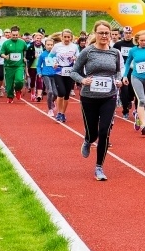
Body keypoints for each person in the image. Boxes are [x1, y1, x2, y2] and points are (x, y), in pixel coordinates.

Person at [70, 21, 122, 181]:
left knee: (104, 131)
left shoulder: (115, 53)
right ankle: (88, 140)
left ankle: (99, 167)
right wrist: (83, 80)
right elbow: (74, 72)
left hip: (109, 97)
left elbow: (118, 72)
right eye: (101, 33)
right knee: (93, 133)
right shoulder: (88, 51)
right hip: (89, 98)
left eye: (107, 33)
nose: (104, 36)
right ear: (95, 34)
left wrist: (119, 81)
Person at [122, 31, 145, 135]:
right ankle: (143, 125)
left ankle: (138, 116)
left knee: (144, 100)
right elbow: (127, 63)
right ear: (137, 40)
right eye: (141, 40)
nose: (143, 42)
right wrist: (124, 76)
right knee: (141, 99)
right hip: (136, 77)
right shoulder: (133, 50)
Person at [51, 29, 80, 123]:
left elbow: (78, 57)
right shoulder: (57, 46)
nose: (67, 39)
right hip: (59, 71)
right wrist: (53, 63)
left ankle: (63, 113)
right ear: (61, 37)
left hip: (69, 71)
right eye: (65, 37)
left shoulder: (75, 47)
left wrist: (75, 58)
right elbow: (50, 56)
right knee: (61, 92)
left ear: (71, 37)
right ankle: (59, 113)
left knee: (67, 94)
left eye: (68, 37)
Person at [0, 25, 27, 103]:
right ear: (10, 34)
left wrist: (25, 57)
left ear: (18, 34)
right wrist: (5, 56)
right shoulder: (6, 43)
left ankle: (18, 90)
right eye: (13, 35)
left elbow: (26, 50)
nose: (15, 36)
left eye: (16, 35)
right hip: (9, 66)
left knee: (19, 80)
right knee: (9, 84)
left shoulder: (22, 42)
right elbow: (1, 53)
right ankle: (10, 97)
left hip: (19, 66)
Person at [113, 26, 135, 119]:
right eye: (126, 33)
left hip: (133, 70)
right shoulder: (118, 45)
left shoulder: (135, 45)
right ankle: (125, 110)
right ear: (123, 34)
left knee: (131, 91)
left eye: (130, 33)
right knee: (124, 91)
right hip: (122, 70)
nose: (128, 35)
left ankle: (130, 99)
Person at [36, 37, 58, 116]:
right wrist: (39, 72)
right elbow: (38, 65)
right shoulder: (43, 55)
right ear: (45, 45)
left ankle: (52, 101)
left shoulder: (56, 54)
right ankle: (50, 109)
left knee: (56, 93)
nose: (50, 46)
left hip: (55, 75)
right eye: (48, 45)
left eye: (51, 45)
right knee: (50, 91)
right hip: (46, 74)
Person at [24, 31, 45, 101]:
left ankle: (39, 95)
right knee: (33, 80)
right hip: (33, 66)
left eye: (39, 38)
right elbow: (27, 57)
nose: (38, 40)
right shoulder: (30, 47)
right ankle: (33, 92)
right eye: (37, 38)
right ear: (34, 39)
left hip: (41, 66)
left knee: (39, 80)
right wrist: (33, 56)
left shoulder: (43, 47)